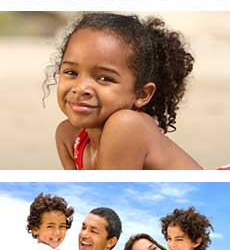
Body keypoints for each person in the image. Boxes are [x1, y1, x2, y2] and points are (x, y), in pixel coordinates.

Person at [43, 12, 202, 170]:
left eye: (104, 78)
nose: (81, 88)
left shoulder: (126, 125)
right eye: (71, 73)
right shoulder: (67, 136)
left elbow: (108, 193)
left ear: (142, 94)